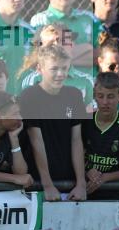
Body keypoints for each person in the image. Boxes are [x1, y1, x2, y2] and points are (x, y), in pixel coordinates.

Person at [17, 45, 88, 202]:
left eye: (64, 68)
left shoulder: (74, 95)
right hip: (38, 184)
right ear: (40, 69)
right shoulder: (29, 96)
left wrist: (81, 183)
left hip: (69, 183)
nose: (60, 74)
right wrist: (47, 184)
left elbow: (77, 140)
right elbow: (36, 141)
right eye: (54, 69)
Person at [82, 72, 119, 200]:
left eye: (110, 96)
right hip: (84, 196)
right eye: (100, 96)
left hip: (117, 198)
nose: (105, 102)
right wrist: (87, 171)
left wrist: (104, 178)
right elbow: (74, 155)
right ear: (94, 96)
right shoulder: (83, 123)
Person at [30, 0, 98, 70]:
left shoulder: (89, 18)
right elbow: (38, 59)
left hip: (88, 80)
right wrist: (87, 49)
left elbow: (102, 55)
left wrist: (61, 57)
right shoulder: (39, 20)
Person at [14, 23, 94, 102]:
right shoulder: (31, 78)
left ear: (72, 45)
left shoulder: (86, 80)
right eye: (52, 43)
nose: (58, 47)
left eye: (64, 41)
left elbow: (91, 108)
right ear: (41, 48)